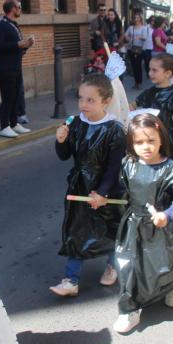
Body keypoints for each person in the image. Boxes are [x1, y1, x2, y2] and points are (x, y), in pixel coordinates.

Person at [112, 114, 173, 333]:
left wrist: (167, 214)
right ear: (131, 143)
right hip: (134, 224)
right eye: (139, 142)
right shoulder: (128, 163)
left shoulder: (170, 168)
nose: (145, 146)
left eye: (151, 140)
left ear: (161, 139)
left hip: (165, 225)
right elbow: (122, 191)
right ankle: (129, 309)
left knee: (170, 260)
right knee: (129, 264)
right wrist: (103, 197)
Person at [49, 74, 125, 297]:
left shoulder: (115, 130)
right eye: (81, 98)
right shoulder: (75, 124)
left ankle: (112, 265)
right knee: (76, 230)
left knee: (109, 230)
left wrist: (102, 193)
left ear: (106, 100)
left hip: (107, 190)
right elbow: (64, 156)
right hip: (80, 187)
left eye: (90, 100)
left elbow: (114, 167)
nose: (83, 105)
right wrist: (61, 140)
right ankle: (71, 280)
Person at [135, 53, 173, 185]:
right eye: (149, 69)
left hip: (171, 140)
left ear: (168, 73)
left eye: (154, 70)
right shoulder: (148, 93)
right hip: (150, 138)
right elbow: (135, 104)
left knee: (171, 172)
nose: (150, 73)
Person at [0, 0, 33, 139]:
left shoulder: (13, 24)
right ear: (12, 9)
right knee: (8, 97)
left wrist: (27, 44)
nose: (20, 9)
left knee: (16, 96)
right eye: (19, 7)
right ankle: (4, 126)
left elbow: (17, 46)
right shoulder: (1, 25)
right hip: (5, 67)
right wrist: (18, 44)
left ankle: (14, 123)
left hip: (15, 66)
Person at [125, 14, 147, 89]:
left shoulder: (143, 28)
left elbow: (145, 38)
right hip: (132, 48)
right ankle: (136, 83)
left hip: (140, 49)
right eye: (135, 18)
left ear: (140, 19)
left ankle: (139, 82)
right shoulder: (131, 28)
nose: (136, 19)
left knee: (138, 66)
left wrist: (139, 37)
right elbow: (125, 35)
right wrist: (129, 39)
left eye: (138, 17)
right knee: (134, 66)